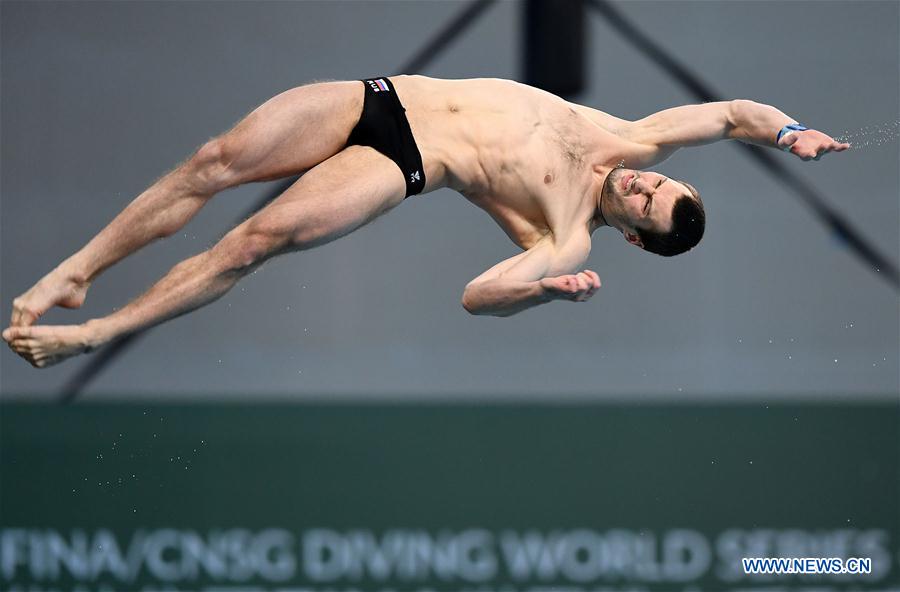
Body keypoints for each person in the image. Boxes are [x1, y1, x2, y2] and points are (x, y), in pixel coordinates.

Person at [3, 75, 849, 368]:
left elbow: (477, 297)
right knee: (214, 159)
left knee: (253, 242)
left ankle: (98, 334)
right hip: (383, 98)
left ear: (633, 236)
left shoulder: (565, 239)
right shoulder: (635, 137)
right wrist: (789, 132)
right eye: (656, 187)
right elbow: (736, 112)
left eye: (647, 208)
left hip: (402, 163)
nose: (640, 187)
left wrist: (545, 295)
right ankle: (77, 269)